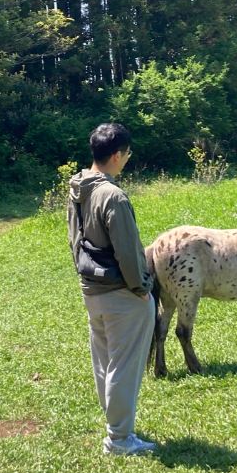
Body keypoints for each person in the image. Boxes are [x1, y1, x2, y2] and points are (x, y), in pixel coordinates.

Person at [67, 122, 157, 456]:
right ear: (117, 155)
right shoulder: (113, 196)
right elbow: (129, 252)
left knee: (105, 363)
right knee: (124, 365)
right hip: (121, 293)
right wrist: (142, 288)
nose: (127, 160)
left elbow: (73, 241)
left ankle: (116, 427)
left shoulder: (77, 188)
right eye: (128, 155)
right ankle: (119, 439)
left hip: (91, 290)